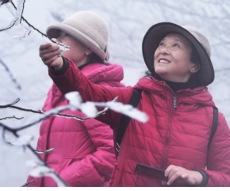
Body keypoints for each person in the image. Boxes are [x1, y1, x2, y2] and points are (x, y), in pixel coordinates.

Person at [39, 22, 230, 187]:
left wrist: (199, 177)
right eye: (161, 44)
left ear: (194, 66)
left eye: (175, 45)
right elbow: (89, 95)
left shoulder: (213, 120)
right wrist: (61, 67)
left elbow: (226, 177)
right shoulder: (133, 99)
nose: (163, 49)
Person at [27, 12, 125, 187]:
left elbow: (112, 154)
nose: (58, 39)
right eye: (58, 35)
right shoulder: (57, 92)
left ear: (88, 48)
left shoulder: (100, 92)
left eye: (66, 35)